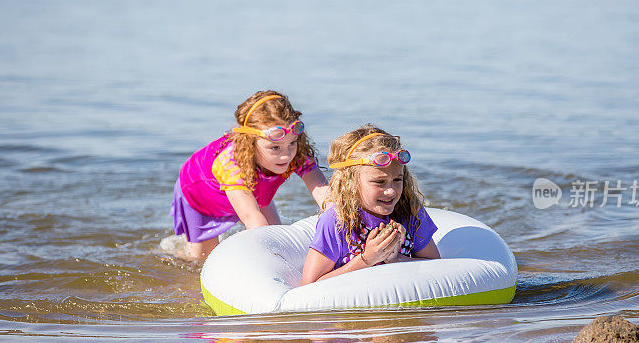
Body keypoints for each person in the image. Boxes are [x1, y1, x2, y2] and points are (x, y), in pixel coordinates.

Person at [171, 90, 329, 260]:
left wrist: (338, 214)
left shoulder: (296, 153)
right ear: (250, 142)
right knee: (200, 260)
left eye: (292, 143)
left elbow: (322, 191)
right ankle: (170, 252)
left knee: (277, 233)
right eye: (275, 148)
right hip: (200, 196)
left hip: (252, 190)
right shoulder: (231, 165)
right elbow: (251, 218)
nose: (286, 155)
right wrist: (271, 259)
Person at [302, 125, 440, 284]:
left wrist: (395, 259)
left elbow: (435, 266)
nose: (391, 191)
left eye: (397, 180)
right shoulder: (335, 222)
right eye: (379, 182)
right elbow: (310, 285)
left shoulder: (411, 213)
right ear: (351, 182)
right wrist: (367, 259)